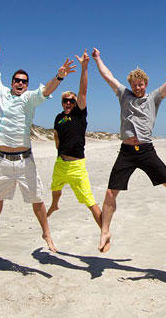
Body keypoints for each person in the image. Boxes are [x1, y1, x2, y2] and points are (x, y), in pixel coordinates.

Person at [91, 47, 166, 252]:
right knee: (110, 193)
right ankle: (105, 230)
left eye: (140, 84)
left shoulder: (154, 98)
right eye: (134, 85)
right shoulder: (123, 95)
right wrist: (98, 59)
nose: (137, 88)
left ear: (146, 84)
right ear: (130, 85)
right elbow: (107, 76)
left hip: (146, 151)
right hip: (126, 152)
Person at [0, 44, 76, 252]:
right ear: (12, 82)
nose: (20, 83)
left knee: (37, 199)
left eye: (24, 81)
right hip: (3, 160)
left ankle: (46, 233)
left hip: (25, 161)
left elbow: (46, 90)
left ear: (27, 85)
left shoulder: (28, 99)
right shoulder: (3, 94)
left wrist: (59, 77)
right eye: (17, 80)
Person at [47, 50, 102, 228]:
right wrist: (59, 152)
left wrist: (84, 67)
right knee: (55, 187)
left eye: (71, 100)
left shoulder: (79, 113)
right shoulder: (58, 117)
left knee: (90, 202)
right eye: (65, 101)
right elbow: (56, 135)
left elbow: (83, 90)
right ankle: (55, 205)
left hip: (77, 166)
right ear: (62, 102)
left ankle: (104, 230)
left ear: (76, 101)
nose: (68, 103)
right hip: (61, 163)